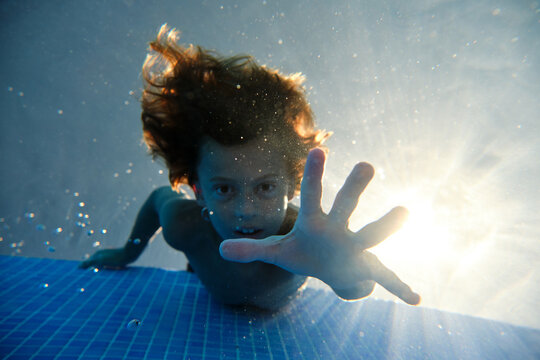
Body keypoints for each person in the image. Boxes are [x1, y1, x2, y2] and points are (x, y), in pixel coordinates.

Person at [80, 24, 420, 310]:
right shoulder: (186, 226)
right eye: (225, 189)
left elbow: (355, 285)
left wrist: (345, 278)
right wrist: (128, 251)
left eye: (266, 187)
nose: (246, 210)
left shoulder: (306, 238)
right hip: (203, 276)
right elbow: (158, 200)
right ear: (198, 190)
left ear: (290, 186)